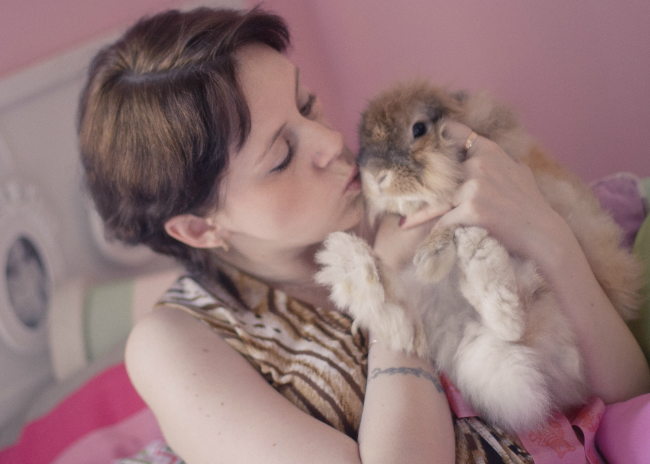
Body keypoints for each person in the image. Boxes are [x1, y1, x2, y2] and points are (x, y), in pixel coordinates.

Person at [77, 7, 650, 464]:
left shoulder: (408, 187)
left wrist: (545, 233)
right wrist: (390, 286)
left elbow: (628, 395)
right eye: (281, 156)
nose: (331, 143)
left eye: (307, 104)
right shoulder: (175, 344)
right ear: (201, 227)